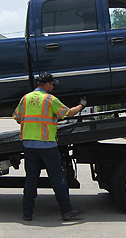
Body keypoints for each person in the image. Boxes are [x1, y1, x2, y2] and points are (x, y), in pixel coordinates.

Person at [13, 72, 86, 221]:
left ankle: (27, 213)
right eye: (52, 84)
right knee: (57, 178)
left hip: (28, 145)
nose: (53, 86)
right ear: (47, 85)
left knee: (31, 179)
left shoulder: (25, 98)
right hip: (46, 145)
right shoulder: (49, 99)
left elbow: (17, 118)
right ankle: (66, 211)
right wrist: (82, 105)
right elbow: (69, 113)